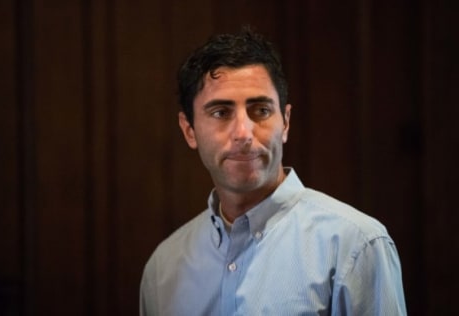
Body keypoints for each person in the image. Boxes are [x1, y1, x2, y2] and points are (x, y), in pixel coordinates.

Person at [140, 27, 406, 315]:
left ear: (286, 122)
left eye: (261, 111)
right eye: (220, 113)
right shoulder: (163, 269)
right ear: (189, 130)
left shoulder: (355, 246)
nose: (243, 132)